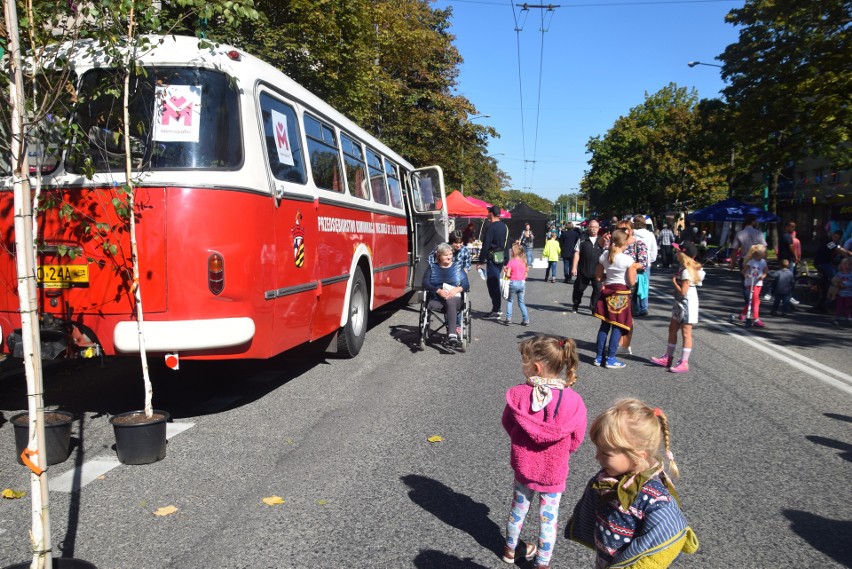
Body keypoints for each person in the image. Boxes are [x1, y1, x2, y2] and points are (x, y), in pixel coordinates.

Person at [566, 399, 699, 568]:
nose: (597, 457)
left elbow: (670, 530)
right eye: (597, 449)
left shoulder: (654, 498)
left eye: (605, 452)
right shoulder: (609, 479)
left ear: (638, 455)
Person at [501, 335, 587, 569]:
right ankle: (542, 563)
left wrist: (521, 442)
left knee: (518, 509)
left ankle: (510, 549)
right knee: (548, 519)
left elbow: (508, 422)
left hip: (524, 465)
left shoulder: (519, 394)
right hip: (554, 469)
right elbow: (576, 438)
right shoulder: (574, 401)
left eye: (524, 362)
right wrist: (561, 451)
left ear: (536, 367)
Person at [650, 242, 705, 373]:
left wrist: (674, 282)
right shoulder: (683, 267)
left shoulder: (686, 271)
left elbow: (683, 291)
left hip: (687, 304)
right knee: (672, 328)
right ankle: (668, 357)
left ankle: (684, 362)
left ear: (683, 254)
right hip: (680, 303)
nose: (676, 252)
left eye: (678, 251)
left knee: (686, 333)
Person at [592, 229, 641, 368]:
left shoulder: (604, 256)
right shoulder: (627, 260)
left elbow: (598, 277)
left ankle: (599, 357)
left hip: (607, 292)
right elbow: (631, 282)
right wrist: (635, 269)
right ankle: (611, 359)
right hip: (621, 294)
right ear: (624, 243)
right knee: (618, 326)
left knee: (604, 325)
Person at [422, 242, 470, 347]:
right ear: (439, 256)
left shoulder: (458, 267)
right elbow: (425, 283)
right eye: (446, 255)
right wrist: (438, 291)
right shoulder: (432, 268)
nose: (449, 257)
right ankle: (452, 333)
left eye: (450, 254)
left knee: (450, 300)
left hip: (455, 300)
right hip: (437, 301)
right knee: (446, 302)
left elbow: (466, 284)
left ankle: (452, 334)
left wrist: (457, 289)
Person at [477, 205, 511, 318]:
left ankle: (496, 309)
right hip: (501, 258)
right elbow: (507, 245)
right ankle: (497, 308)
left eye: (488, 212)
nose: (487, 214)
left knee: (493, 283)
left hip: (492, 258)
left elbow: (486, 245)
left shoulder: (491, 227)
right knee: (494, 281)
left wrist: (480, 260)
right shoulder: (505, 227)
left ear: (491, 213)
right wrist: (506, 261)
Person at [571, 219, 604, 314]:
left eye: (595, 227)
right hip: (583, 269)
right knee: (578, 289)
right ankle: (576, 304)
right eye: (592, 227)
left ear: (598, 229)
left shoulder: (601, 240)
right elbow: (577, 253)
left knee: (598, 290)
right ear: (588, 228)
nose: (593, 229)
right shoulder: (582, 239)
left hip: (597, 270)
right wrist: (574, 267)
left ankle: (594, 307)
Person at [764, 221, 797, 303]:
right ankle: (786, 295)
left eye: (794, 227)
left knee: (782, 277)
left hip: (784, 258)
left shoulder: (785, 236)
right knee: (787, 277)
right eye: (791, 226)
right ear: (786, 227)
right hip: (785, 259)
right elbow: (791, 247)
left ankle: (774, 293)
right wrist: (796, 257)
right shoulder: (787, 236)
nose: (793, 228)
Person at [632, 214, 657, 315]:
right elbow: (653, 250)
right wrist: (650, 261)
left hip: (632, 264)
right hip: (645, 264)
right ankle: (643, 307)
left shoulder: (632, 234)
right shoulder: (650, 235)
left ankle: (634, 308)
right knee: (644, 286)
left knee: (633, 286)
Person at [739, 244, 768, 327]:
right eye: (764, 252)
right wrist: (746, 275)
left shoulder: (763, 262)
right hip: (751, 282)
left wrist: (763, 276)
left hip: (758, 283)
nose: (765, 254)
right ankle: (756, 318)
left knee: (753, 300)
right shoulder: (751, 262)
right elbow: (743, 271)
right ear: (759, 253)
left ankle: (743, 314)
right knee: (756, 300)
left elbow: (766, 271)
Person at [502, 244, 530, 326]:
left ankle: (508, 318)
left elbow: (507, 275)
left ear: (514, 252)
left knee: (510, 301)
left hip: (513, 283)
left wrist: (505, 270)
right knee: (521, 302)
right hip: (521, 283)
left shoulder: (511, 262)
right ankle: (526, 320)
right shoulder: (523, 262)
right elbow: (526, 275)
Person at [829, 257, 852, 326]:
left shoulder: (851, 274)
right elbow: (834, 281)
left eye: (849, 265)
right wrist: (836, 285)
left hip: (849, 293)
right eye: (844, 264)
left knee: (848, 306)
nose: (846, 266)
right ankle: (837, 318)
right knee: (839, 306)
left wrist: (845, 284)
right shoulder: (838, 274)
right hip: (840, 293)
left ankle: (848, 318)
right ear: (841, 265)